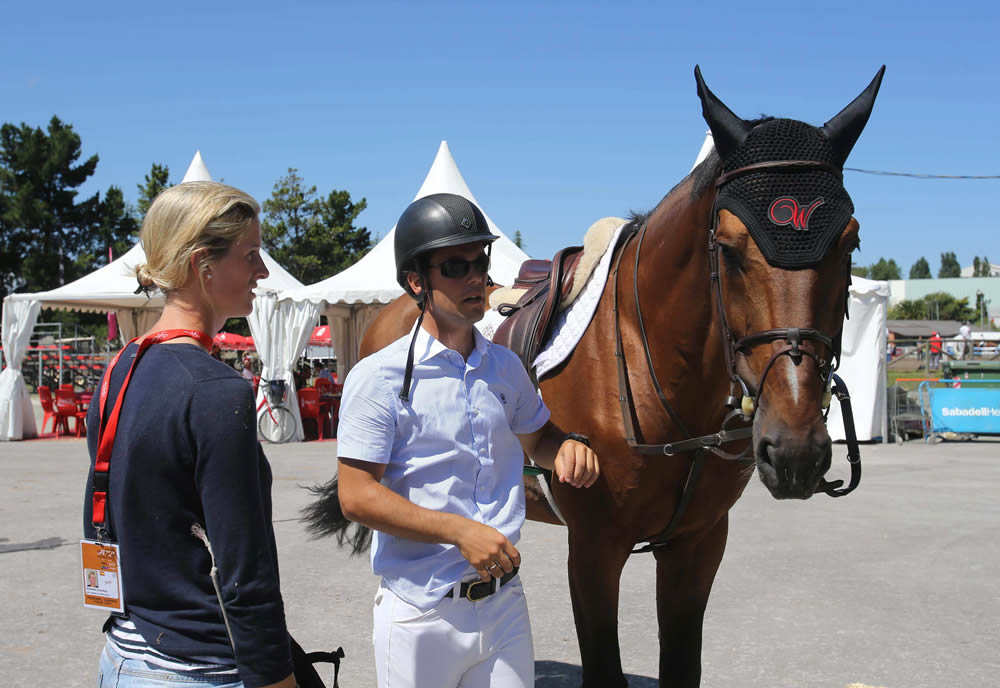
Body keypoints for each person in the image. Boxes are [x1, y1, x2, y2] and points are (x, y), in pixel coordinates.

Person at [335, 193, 601, 688]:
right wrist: (459, 531)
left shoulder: (505, 366)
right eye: (456, 266)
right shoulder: (378, 377)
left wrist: (565, 447)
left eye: (481, 263)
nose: (476, 277)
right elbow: (355, 495)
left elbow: (538, 436)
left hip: (503, 609)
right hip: (420, 614)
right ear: (416, 282)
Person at [83, 181, 295, 688]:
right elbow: (245, 568)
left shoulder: (119, 369)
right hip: (196, 667)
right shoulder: (216, 391)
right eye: (251, 256)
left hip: (124, 654)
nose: (262, 272)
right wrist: (276, 677)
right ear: (203, 264)